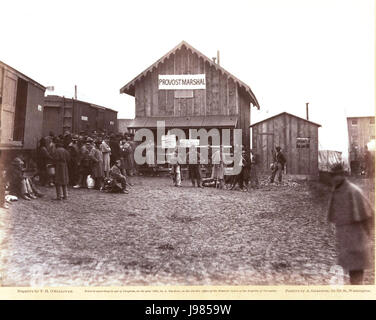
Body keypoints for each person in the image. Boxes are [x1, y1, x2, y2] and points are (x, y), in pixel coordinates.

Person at [328, 163, 374, 285]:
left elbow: (369, 215)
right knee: (350, 273)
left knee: (356, 276)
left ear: (342, 176)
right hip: (345, 242)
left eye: (337, 176)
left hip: (357, 241)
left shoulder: (354, 191)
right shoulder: (336, 192)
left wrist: (368, 236)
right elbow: (334, 216)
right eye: (333, 176)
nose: (335, 179)